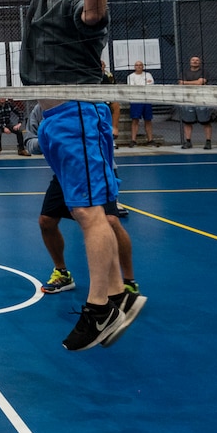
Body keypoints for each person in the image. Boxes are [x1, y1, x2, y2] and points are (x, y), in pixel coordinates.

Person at [0, 0, 144, 350]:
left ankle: (101, 305)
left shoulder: (74, 1)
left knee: (91, 215)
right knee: (97, 212)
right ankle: (120, 296)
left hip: (78, 114)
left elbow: (94, 11)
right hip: (52, 120)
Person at [24, 105, 140, 298]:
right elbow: (29, 143)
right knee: (46, 221)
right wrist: (50, 140)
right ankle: (62, 273)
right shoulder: (39, 108)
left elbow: (104, 134)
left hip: (96, 168)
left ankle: (129, 282)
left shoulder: (86, 103)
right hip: (65, 172)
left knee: (111, 222)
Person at [177, 56, 214, 150]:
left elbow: (200, 82)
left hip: (202, 99)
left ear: (200, 62)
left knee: (206, 122)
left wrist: (187, 83)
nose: (195, 62)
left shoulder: (204, 72)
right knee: (187, 122)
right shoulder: (184, 73)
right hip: (188, 99)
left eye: (197, 60)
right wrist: (195, 82)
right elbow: (181, 83)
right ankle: (188, 141)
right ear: (190, 62)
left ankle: (208, 142)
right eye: (193, 60)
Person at [125, 61, 155, 146]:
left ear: (143, 67)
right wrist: (143, 85)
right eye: (137, 65)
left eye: (140, 65)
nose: (138, 67)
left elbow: (150, 85)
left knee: (148, 120)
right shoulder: (130, 76)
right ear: (134, 67)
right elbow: (132, 88)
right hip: (136, 100)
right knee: (135, 120)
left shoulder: (148, 75)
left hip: (146, 99)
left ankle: (150, 140)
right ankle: (133, 140)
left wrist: (141, 86)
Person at [101, 61, 121, 145]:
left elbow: (114, 88)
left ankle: (113, 132)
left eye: (102, 65)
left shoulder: (109, 76)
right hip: (94, 100)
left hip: (106, 99)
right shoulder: (90, 76)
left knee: (115, 105)